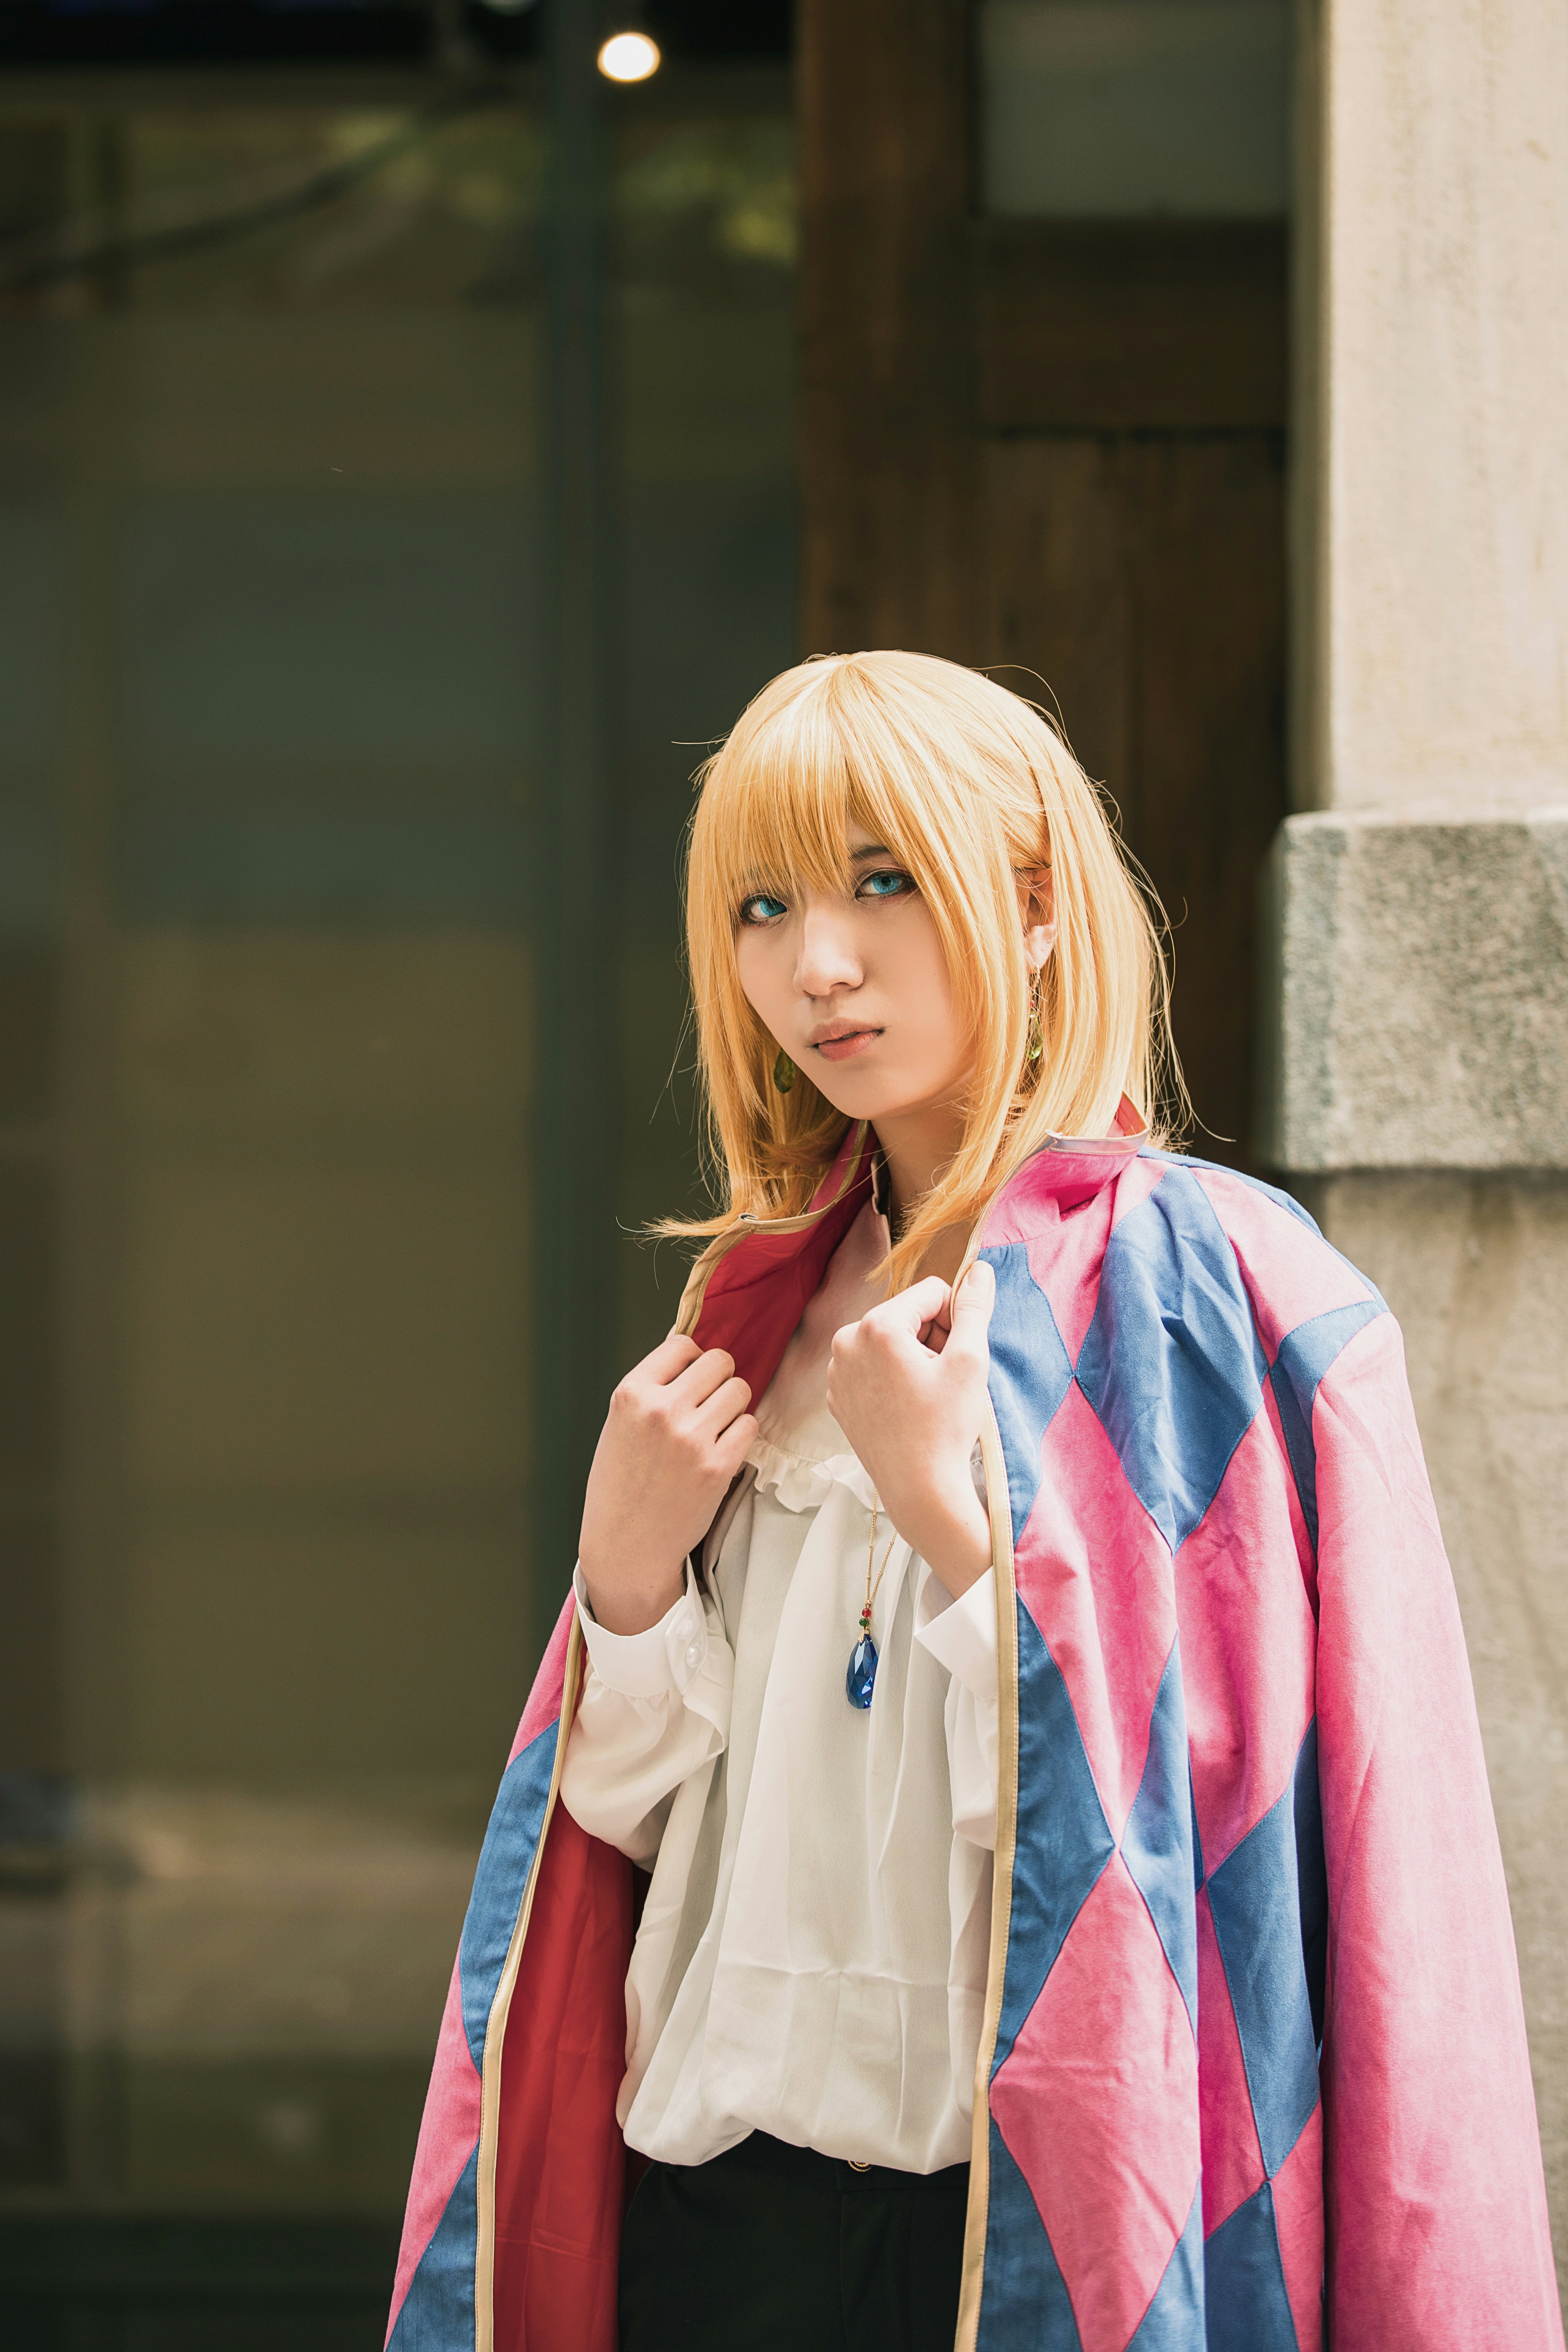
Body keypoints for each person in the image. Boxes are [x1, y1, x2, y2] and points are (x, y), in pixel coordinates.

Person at [385, 653, 1563, 2352]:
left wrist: (966, 1542)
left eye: (883, 881)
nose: (820, 964)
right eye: (765, 906)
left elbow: (1227, 1861)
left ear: (1027, 904)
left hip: (1024, 2233)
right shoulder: (752, 1310)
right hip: (710, 2232)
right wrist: (624, 1589)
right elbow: (633, 1845)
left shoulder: (1217, 1296)